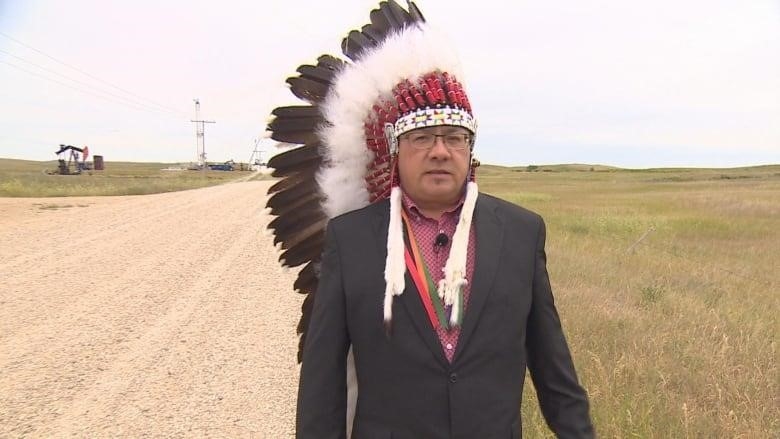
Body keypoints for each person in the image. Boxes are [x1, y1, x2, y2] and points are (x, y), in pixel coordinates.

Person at [264, 2, 594, 438]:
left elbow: (554, 371)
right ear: (395, 151)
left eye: (454, 138)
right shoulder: (352, 238)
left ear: (470, 150)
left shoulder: (520, 232)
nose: (440, 151)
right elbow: (322, 385)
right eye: (421, 138)